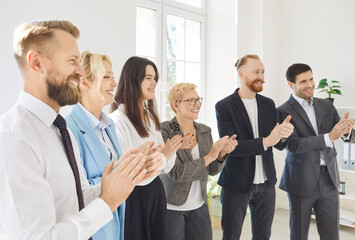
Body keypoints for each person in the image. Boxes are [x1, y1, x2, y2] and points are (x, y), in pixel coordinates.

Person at [0, 20, 161, 240]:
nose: (79, 71)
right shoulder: (16, 137)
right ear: (36, 62)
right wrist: (107, 202)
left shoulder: (58, 129)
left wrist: (127, 175)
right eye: (71, 61)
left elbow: (76, 199)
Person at [66, 51, 157, 240]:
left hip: (117, 225)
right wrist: (123, 172)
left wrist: (134, 165)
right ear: (84, 82)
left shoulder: (109, 126)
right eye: (107, 77)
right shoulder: (69, 129)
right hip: (93, 231)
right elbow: (73, 192)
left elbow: (115, 171)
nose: (115, 84)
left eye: (113, 77)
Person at [109, 56, 191, 240]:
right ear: (133, 80)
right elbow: (130, 173)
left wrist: (173, 148)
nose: (154, 82)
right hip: (133, 198)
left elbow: (166, 167)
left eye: (155, 78)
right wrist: (163, 154)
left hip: (155, 191)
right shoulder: (117, 121)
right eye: (148, 78)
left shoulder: (150, 116)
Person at [215, 54, 294, 240]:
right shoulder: (224, 106)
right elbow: (232, 147)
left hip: (266, 183)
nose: (262, 77)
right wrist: (267, 141)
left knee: (263, 236)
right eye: (256, 72)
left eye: (263, 72)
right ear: (241, 74)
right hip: (236, 184)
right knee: (231, 235)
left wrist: (283, 135)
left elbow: (278, 145)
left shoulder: (268, 104)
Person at [277, 63, 355, 240]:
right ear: (291, 85)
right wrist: (329, 137)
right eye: (303, 81)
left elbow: (342, 133)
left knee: (331, 234)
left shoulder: (326, 105)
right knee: (299, 234)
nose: (310, 84)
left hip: (329, 179)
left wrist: (347, 131)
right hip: (300, 180)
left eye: (311, 79)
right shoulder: (283, 111)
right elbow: (294, 145)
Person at [160, 83, 238, 240]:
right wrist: (210, 156)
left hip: (199, 206)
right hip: (172, 207)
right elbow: (176, 173)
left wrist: (222, 154)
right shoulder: (165, 130)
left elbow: (211, 170)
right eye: (191, 100)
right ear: (176, 105)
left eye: (198, 99)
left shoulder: (204, 130)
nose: (197, 104)